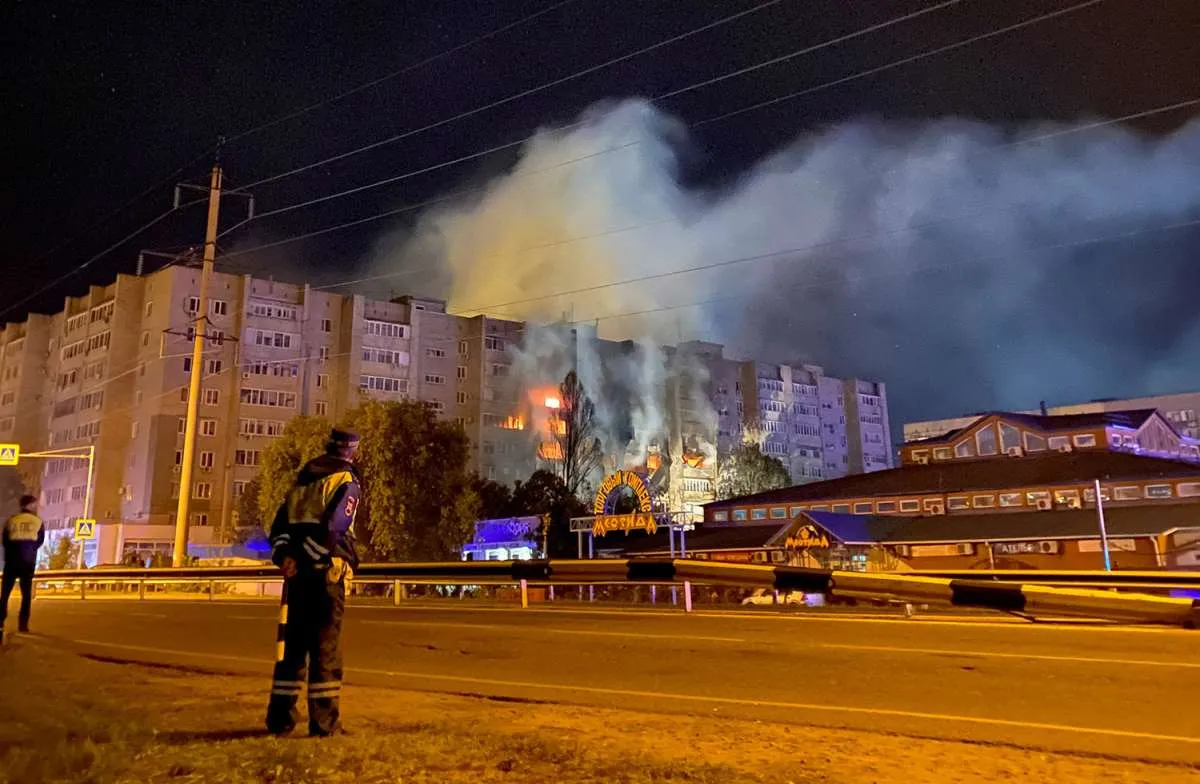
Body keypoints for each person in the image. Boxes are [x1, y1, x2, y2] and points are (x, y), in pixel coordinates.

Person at [266, 428, 362, 737]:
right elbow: (336, 526)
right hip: (325, 573)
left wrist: (285, 557)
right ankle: (325, 723)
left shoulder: (302, 480)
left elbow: (279, 524)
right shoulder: (346, 480)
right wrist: (311, 559)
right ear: (352, 451)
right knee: (325, 649)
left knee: (292, 648)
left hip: (296, 574)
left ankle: (280, 719)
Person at [2, 495, 45, 641]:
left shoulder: (12, 520)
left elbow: (5, 540)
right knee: (26, 594)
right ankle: (23, 624)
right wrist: (30, 551)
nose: (36, 506)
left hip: (12, 560)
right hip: (28, 562)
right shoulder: (38, 521)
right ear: (30, 505)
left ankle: (0, 621)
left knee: (5, 594)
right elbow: (40, 541)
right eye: (35, 504)